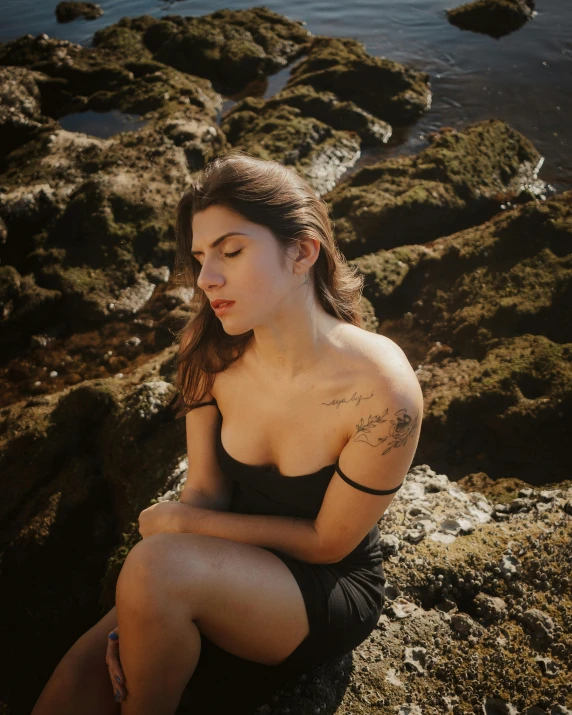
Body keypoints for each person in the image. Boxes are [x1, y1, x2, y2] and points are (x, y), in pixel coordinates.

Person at [31, 149, 423, 715]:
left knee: (152, 571)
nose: (207, 279)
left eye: (232, 251)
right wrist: (146, 607)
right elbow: (207, 490)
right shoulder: (209, 351)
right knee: (70, 686)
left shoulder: (383, 391)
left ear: (303, 252)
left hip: (321, 588)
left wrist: (178, 531)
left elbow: (327, 541)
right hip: (214, 565)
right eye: (199, 257)